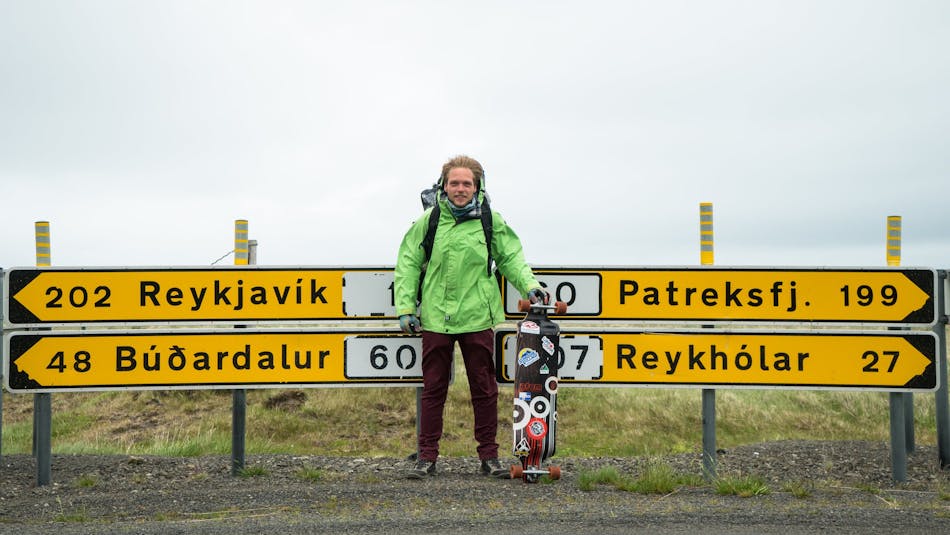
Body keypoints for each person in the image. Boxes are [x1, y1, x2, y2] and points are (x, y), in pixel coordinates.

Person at [394, 155, 549, 479]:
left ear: (477, 186)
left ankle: (489, 459)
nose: (460, 189)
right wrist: (406, 308)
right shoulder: (430, 220)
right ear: (444, 186)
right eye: (454, 183)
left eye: (467, 183)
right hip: (436, 316)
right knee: (433, 388)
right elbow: (408, 263)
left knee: (484, 388)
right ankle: (427, 458)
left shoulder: (491, 219)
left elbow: (511, 258)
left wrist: (531, 286)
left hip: (479, 315)